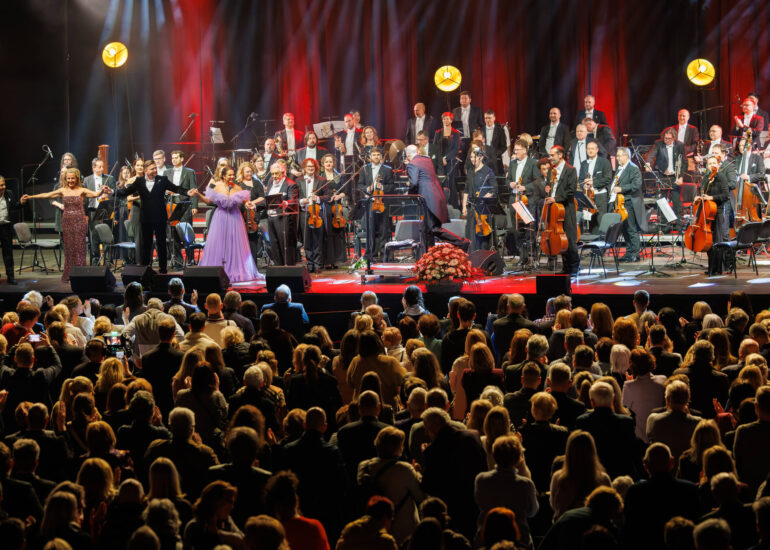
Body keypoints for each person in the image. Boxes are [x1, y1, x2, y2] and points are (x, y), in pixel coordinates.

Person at [21, 167, 111, 282]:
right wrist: (30, 197)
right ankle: (69, 274)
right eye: (68, 179)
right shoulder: (63, 190)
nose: (70, 181)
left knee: (79, 248)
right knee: (69, 249)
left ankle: (80, 274)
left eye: (72, 178)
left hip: (79, 221)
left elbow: (95, 194)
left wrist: (102, 190)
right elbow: (47, 195)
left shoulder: (82, 190)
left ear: (77, 178)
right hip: (67, 221)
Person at [421, 407, 487, 540]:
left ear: (434, 427)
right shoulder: (473, 436)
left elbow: (429, 486)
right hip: (474, 503)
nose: (426, 433)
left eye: (426, 428)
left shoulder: (432, 451)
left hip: (451, 510)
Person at [189, 166, 262, 282]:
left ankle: (235, 269)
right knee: (220, 243)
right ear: (223, 176)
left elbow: (245, 201)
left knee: (234, 243)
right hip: (220, 218)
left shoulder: (237, 187)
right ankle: (218, 270)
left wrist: (248, 204)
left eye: (233, 174)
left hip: (235, 218)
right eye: (229, 175)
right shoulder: (216, 185)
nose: (232, 177)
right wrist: (198, 194)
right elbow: (208, 200)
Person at [622, 443, 700, 550]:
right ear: (671, 462)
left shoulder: (635, 492)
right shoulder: (690, 490)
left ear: (646, 465)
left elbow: (629, 531)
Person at [474, 435, 538, 546]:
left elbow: (479, 504)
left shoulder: (481, 479)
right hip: (519, 540)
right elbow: (532, 512)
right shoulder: (525, 484)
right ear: (518, 457)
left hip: (487, 538)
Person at [405, 144, 470, 250]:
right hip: (437, 196)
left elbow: (414, 183)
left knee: (434, 229)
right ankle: (428, 255)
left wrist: (409, 195)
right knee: (426, 229)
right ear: (418, 152)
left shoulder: (412, 164)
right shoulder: (427, 160)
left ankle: (462, 242)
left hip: (428, 199)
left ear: (408, 156)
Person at [575, 381, 641, 478]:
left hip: (592, 475)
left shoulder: (582, 422)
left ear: (592, 402)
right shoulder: (626, 422)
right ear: (613, 399)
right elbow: (633, 452)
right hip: (620, 475)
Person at [544, 145, 579, 275]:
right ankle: (565, 267)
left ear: (560, 155)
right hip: (554, 210)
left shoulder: (570, 170)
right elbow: (549, 187)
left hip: (566, 209)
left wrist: (556, 198)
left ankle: (574, 267)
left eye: (552, 155)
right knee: (560, 240)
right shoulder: (550, 171)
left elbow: (571, 191)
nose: (550, 157)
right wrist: (547, 189)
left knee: (569, 239)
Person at [359, 147, 396, 260]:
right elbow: (360, 185)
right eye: (373, 155)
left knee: (384, 229)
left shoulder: (387, 169)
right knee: (371, 229)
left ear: (381, 156)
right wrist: (368, 188)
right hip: (371, 202)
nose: (376, 156)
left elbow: (392, 186)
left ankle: (385, 254)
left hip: (383, 203)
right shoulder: (364, 169)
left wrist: (383, 187)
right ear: (370, 157)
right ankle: (371, 254)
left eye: (378, 154)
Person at [646, 129, 686, 231]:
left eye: (669, 139)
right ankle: (665, 226)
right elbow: (651, 154)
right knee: (663, 201)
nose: (666, 140)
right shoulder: (659, 144)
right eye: (665, 138)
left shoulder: (680, 145)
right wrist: (648, 163)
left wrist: (681, 177)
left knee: (677, 202)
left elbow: (684, 162)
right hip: (662, 175)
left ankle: (678, 226)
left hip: (675, 176)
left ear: (674, 138)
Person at [463, 143, 498, 251]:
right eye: (471, 157)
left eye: (475, 157)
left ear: (481, 157)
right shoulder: (470, 172)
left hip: (483, 209)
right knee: (470, 234)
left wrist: (483, 199)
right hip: (472, 208)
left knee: (482, 237)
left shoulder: (488, 171)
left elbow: (494, 188)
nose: (472, 159)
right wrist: (464, 206)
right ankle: (472, 257)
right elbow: (467, 190)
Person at [263, 162, 299, 266]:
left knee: (286, 245)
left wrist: (286, 203)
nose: (274, 176)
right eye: (272, 174)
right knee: (274, 244)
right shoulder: (270, 182)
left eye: (277, 174)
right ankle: (279, 268)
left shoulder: (290, 184)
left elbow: (293, 199)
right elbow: (267, 198)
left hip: (284, 219)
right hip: (271, 217)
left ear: (283, 173)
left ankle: (289, 269)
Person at [612, 147, 645, 262]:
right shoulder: (619, 169)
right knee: (625, 229)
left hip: (630, 202)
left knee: (631, 229)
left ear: (626, 156)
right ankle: (629, 252)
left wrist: (621, 188)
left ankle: (635, 254)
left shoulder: (633, 168)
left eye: (619, 155)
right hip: (621, 203)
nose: (617, 158)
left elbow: (636, 185)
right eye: (617, 155)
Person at [434, 112, 463, 208]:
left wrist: (445, 158)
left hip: (451, 162)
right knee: (441, 183)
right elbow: (434, 147)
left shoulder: (456, 133)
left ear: (451, 120)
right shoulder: (438, 132)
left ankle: (452, 207)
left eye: (448, 119)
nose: (446, 120)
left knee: (451, 184)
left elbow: (456, 149)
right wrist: (440, 159)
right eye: (444, 119)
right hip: (440, 163)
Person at [0, 176, 23, 284]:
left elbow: (14, 206)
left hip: (5, 227)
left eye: (3, 184)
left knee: (8, 253)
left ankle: (10, 277)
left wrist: (21, 203)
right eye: (0, 185)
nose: (3, 187)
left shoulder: (9, 193)